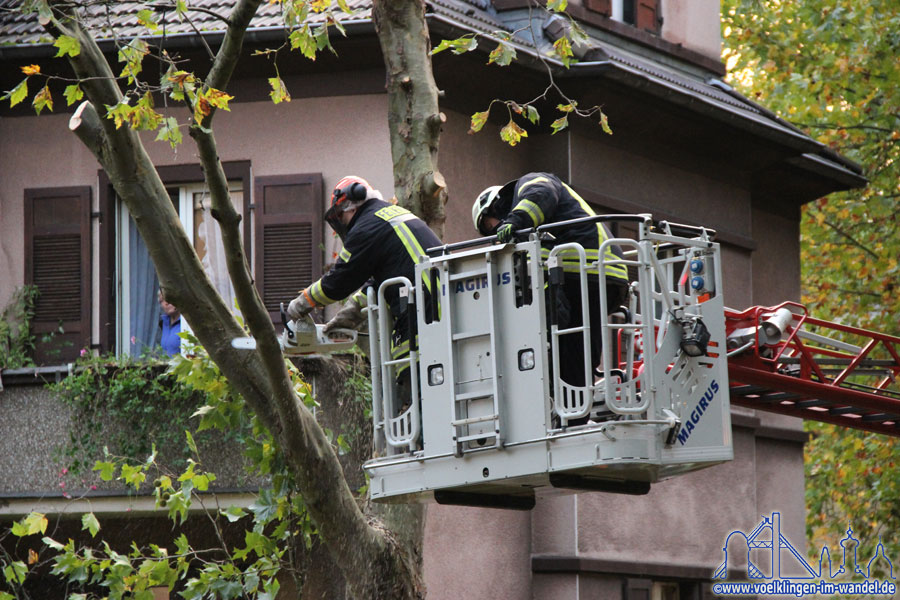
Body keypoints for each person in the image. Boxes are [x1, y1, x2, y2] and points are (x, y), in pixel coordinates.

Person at [472, 172, 629, 388]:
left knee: (573, 350)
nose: (497, 231)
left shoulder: (530, 182)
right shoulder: (533, 231)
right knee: (566, 347)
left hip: (587, 268)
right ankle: (570, 407)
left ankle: (575, 411)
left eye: (491, 225)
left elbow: (542, 193)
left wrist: (516, 220)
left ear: (498, 205)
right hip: (583, 274)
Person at [287, 175, 441, 396]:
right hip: (435, 302)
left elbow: (338, 281)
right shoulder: (386, 215)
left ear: (351, 203)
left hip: (421, 314)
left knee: (412, 381)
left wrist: (304, 301)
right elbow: (379, 280)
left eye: (340, 215)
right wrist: (352, 311)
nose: (342, 221)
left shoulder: (367, 227)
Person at [158, 290, 181, 356]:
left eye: (168, 298)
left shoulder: (186, 323)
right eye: (162, 301)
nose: (166, 303)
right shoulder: (164, 323)